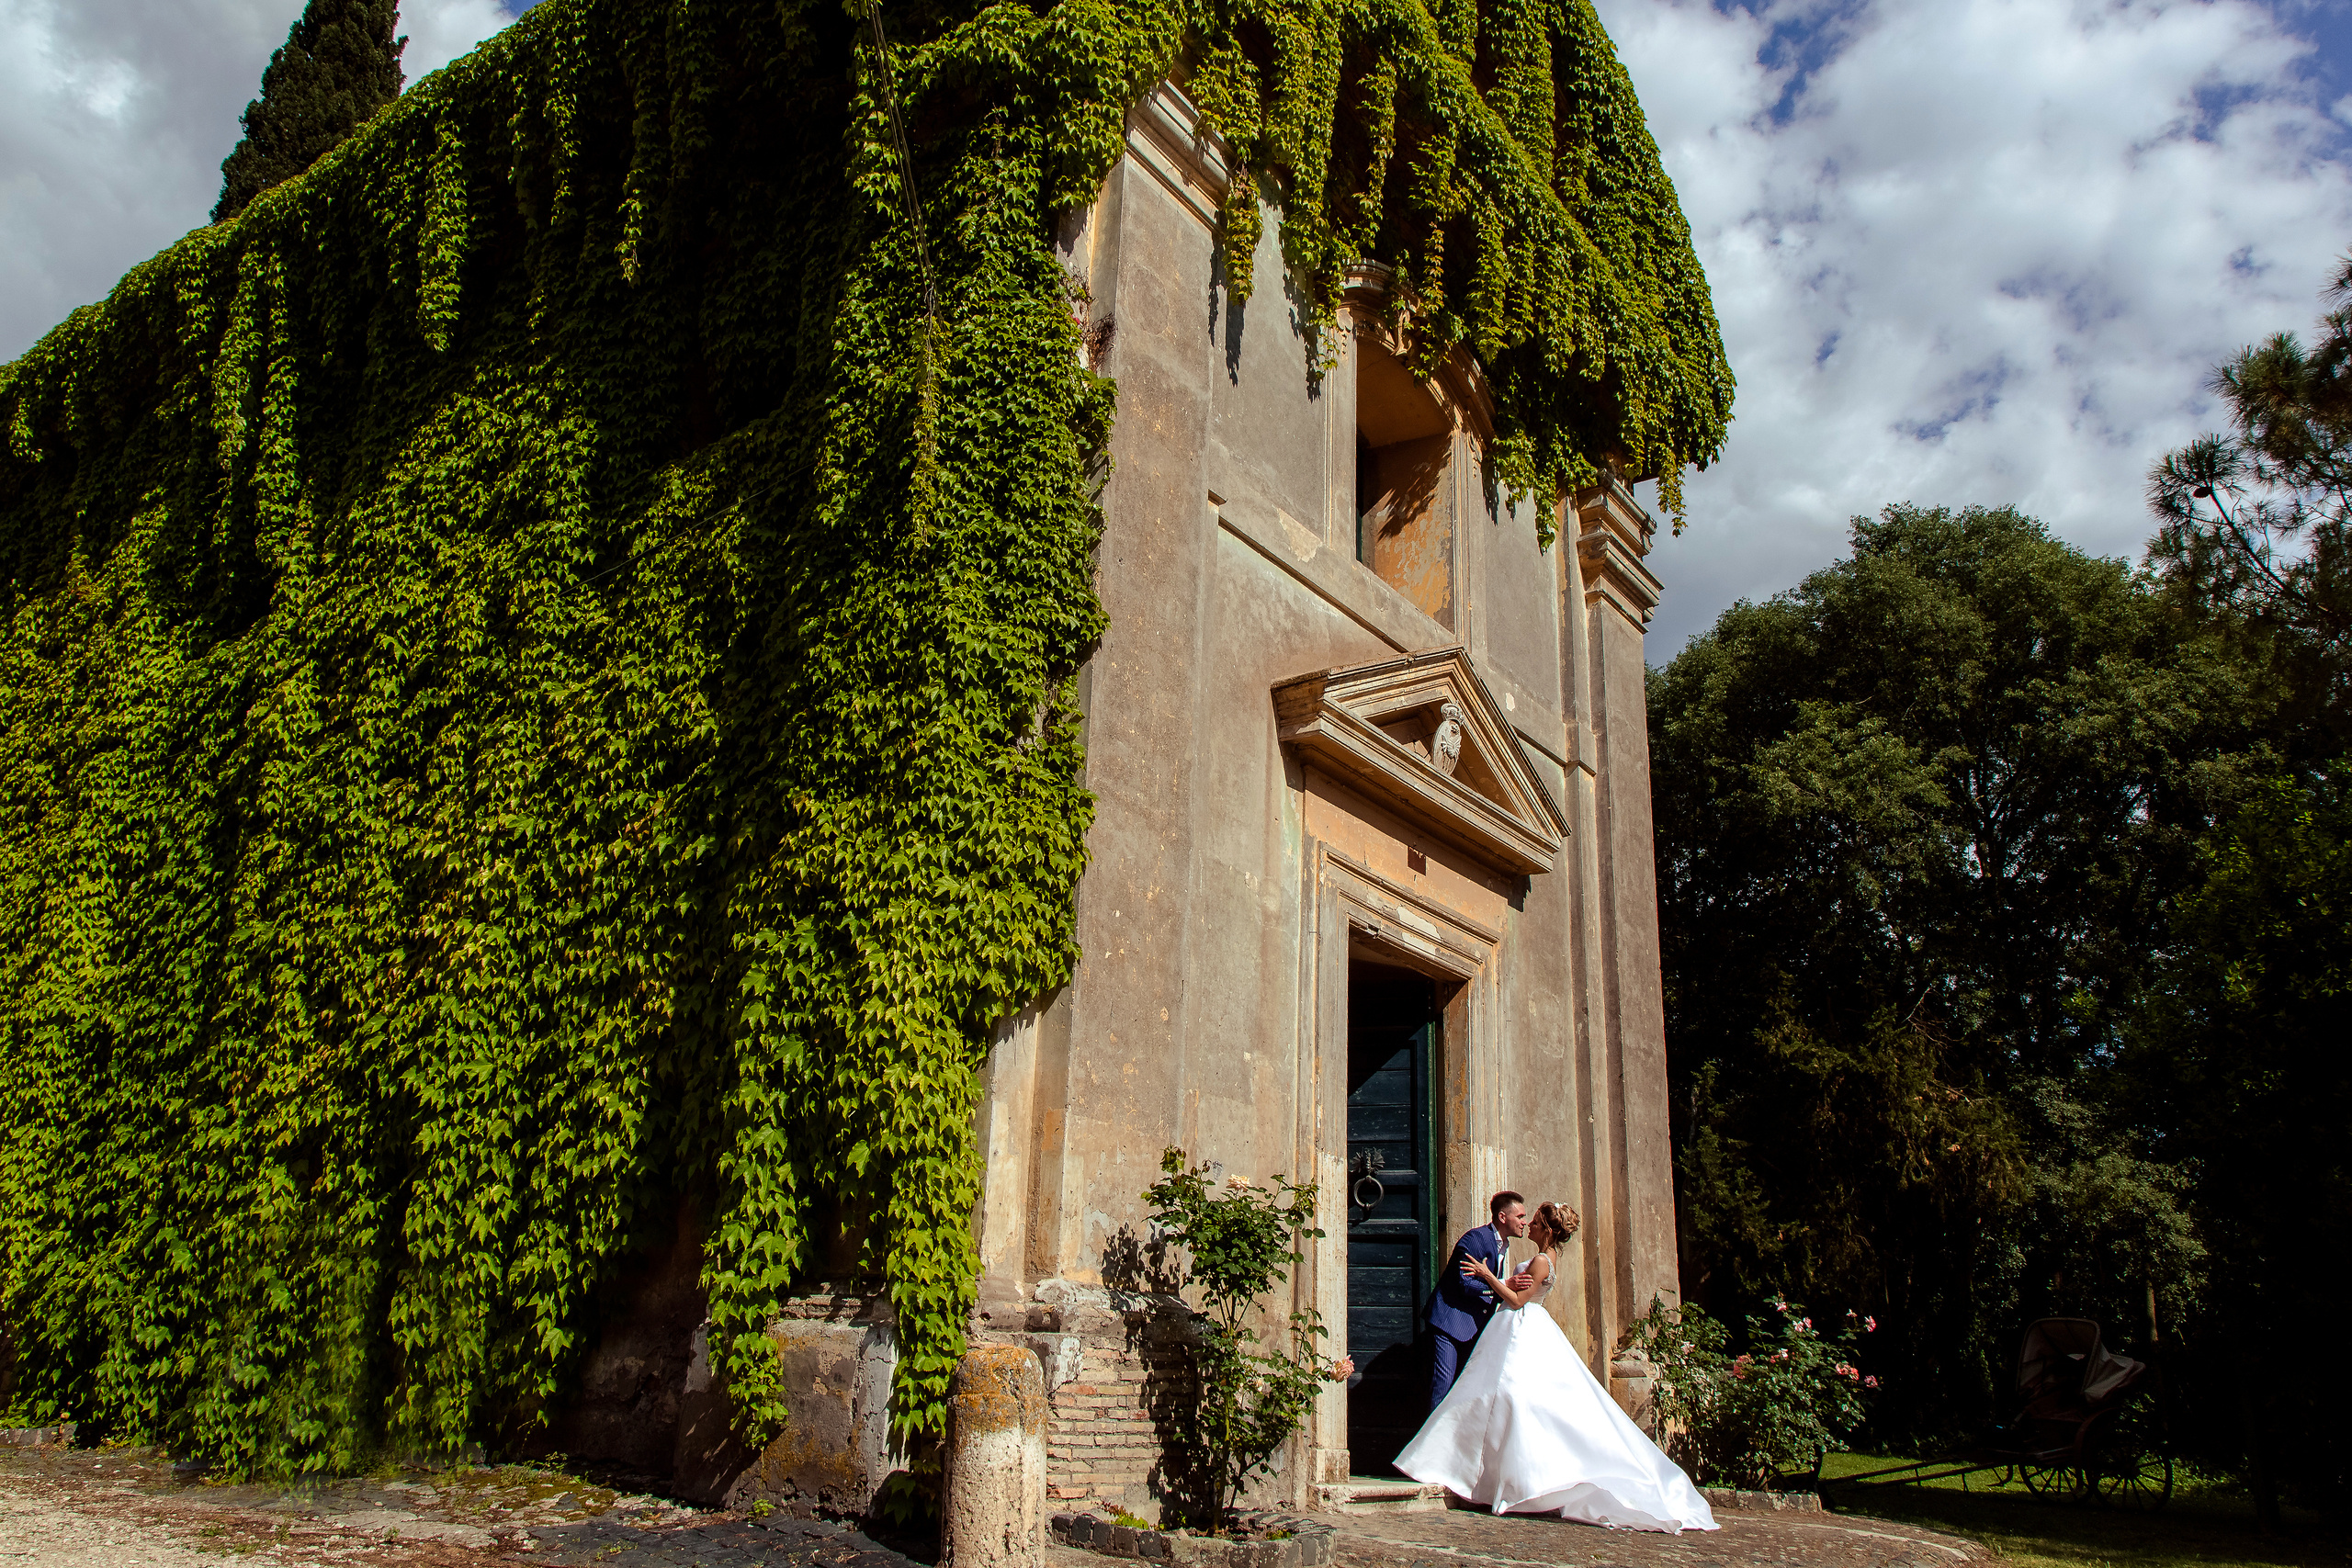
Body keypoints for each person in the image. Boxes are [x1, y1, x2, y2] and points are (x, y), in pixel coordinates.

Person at [1395, 1201, 1717, 1534]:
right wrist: (1501, 1279)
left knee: (1508, 1398)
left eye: (1534, 1222)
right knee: (1492, 1398)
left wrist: (1489, 1275)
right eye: (1527, 1219)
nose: (1529, 1226)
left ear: (1547, 1230)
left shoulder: (1540, 1261)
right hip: (1511, 1328)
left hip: (1521, 1327)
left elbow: (1517, 1300)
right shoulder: (1539, 1258)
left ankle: (1496, 1479)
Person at [1424, 1191, 1527, 1410]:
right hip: (1449, 1323)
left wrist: (1497, 1285)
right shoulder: (1475, 1239)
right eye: (1520, 1216)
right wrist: (1503, 1285)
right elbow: (1465, 1283)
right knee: (1443, 1386)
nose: (1524, 1222)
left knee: (1463, 1389)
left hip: (1474, 1328)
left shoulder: (1502, 1244)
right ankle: (1433, 1442)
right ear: (1502, 1217)